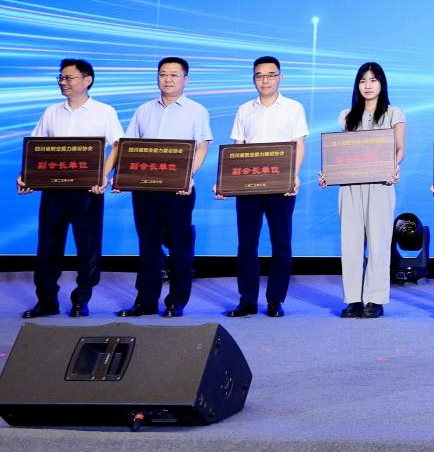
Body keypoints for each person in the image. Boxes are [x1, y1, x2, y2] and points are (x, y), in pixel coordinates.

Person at [18, 58, 123, 318]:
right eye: (61, 78)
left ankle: (81, 300)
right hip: (53, 191)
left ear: (87, 80)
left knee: (88, 248)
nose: (63, 82)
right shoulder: (51, 111)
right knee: (47, 247)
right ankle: (46, 301)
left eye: (69, 78)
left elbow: (117, 146)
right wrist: (26, 177)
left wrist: (103, 175)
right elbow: (36, 148)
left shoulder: (104, 111)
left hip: (87, 191)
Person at [115, 57, 212, 319]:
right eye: (163, 74)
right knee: (148, 245)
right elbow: (129, 146)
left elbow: (202, 147)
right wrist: (122, 178)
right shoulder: (144, 110)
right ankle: (145, 301)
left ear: (185, 80)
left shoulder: (196, 110)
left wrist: (188, 176)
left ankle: (176, 301)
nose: (167, 79)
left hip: (178, 189)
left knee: (179, 245)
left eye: (174, 74)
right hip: (145, 189)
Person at [219, 56, 308, 318]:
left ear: (281, 77)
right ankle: (247, 300)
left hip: (281, 185)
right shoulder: (244, 109)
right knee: (247, 244)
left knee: (281, 243)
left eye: (270, 75)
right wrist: (228, 181)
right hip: (249, 187)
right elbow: (238, 148)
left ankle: (275, 300)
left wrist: (294, 175)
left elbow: (298, 144)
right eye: (259, 75)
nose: (265, 80)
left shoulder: (293, 108)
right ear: (253, 78)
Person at [320, 62, 405, 319]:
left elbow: (400, 148)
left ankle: (375, 299)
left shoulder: (394, 113)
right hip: (350, 186)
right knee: (351, 243)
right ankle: (353, 299)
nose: (367, 86)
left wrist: (393, 167)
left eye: (373, 80)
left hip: (380, 185)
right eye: (362, 81)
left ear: (382, 84)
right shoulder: (348, 115)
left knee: (379, 243)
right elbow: (342, 150)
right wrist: (329, 173)